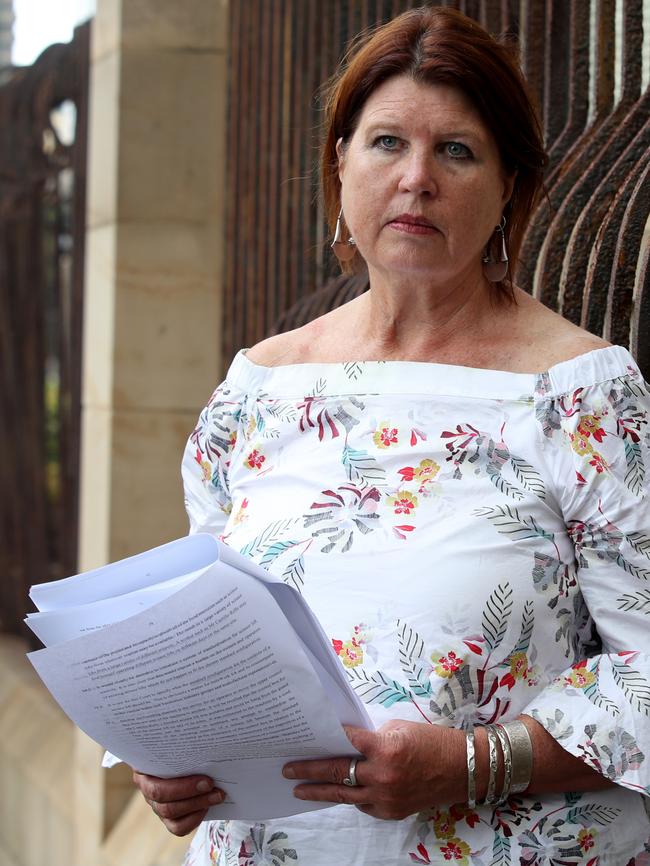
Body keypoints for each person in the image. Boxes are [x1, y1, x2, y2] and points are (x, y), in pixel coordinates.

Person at [134, 6, 650, 864]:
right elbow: (212, 641)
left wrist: (472, 762)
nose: (417, 179)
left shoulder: (580, 394)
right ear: (339, 166)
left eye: (456, 150)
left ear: (509, 187)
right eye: (385, 143)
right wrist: (175, 760)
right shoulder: (256, 392)